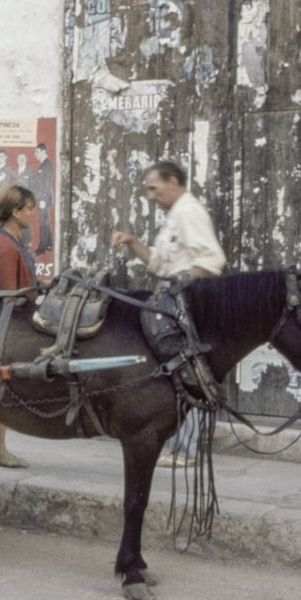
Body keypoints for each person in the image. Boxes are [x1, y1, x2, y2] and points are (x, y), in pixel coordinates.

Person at [111, 160, 227, 467]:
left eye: (154, 187)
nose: (150, 195)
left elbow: (212, 260)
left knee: (184, 367)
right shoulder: (176, 214)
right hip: (172, 293)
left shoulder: (190, 213)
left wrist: (179, 286)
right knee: (173, 369)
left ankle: (186, 450)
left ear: (173, 181)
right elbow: (159, 263)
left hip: (185, 298)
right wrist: (133, 242)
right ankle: (180, 443)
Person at [0, 185, 38, 468]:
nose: (33, 214)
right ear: (16, 212)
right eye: (29, 209)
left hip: (15, 316)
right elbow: (8, 296)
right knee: (5, 383)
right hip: (7, 323)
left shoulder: (14, 237)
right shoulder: (2, 246)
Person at [32, 143, 55, 255]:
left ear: (43, 152)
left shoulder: (47, 165)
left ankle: (41, 248)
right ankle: (49, 243)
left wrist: (43, 200)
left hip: (43, 199)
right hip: (42, 198)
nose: (35, 154)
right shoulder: (43, 164)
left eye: (37, 152)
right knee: (46, 221)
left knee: (43, 222)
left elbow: (47, 184)